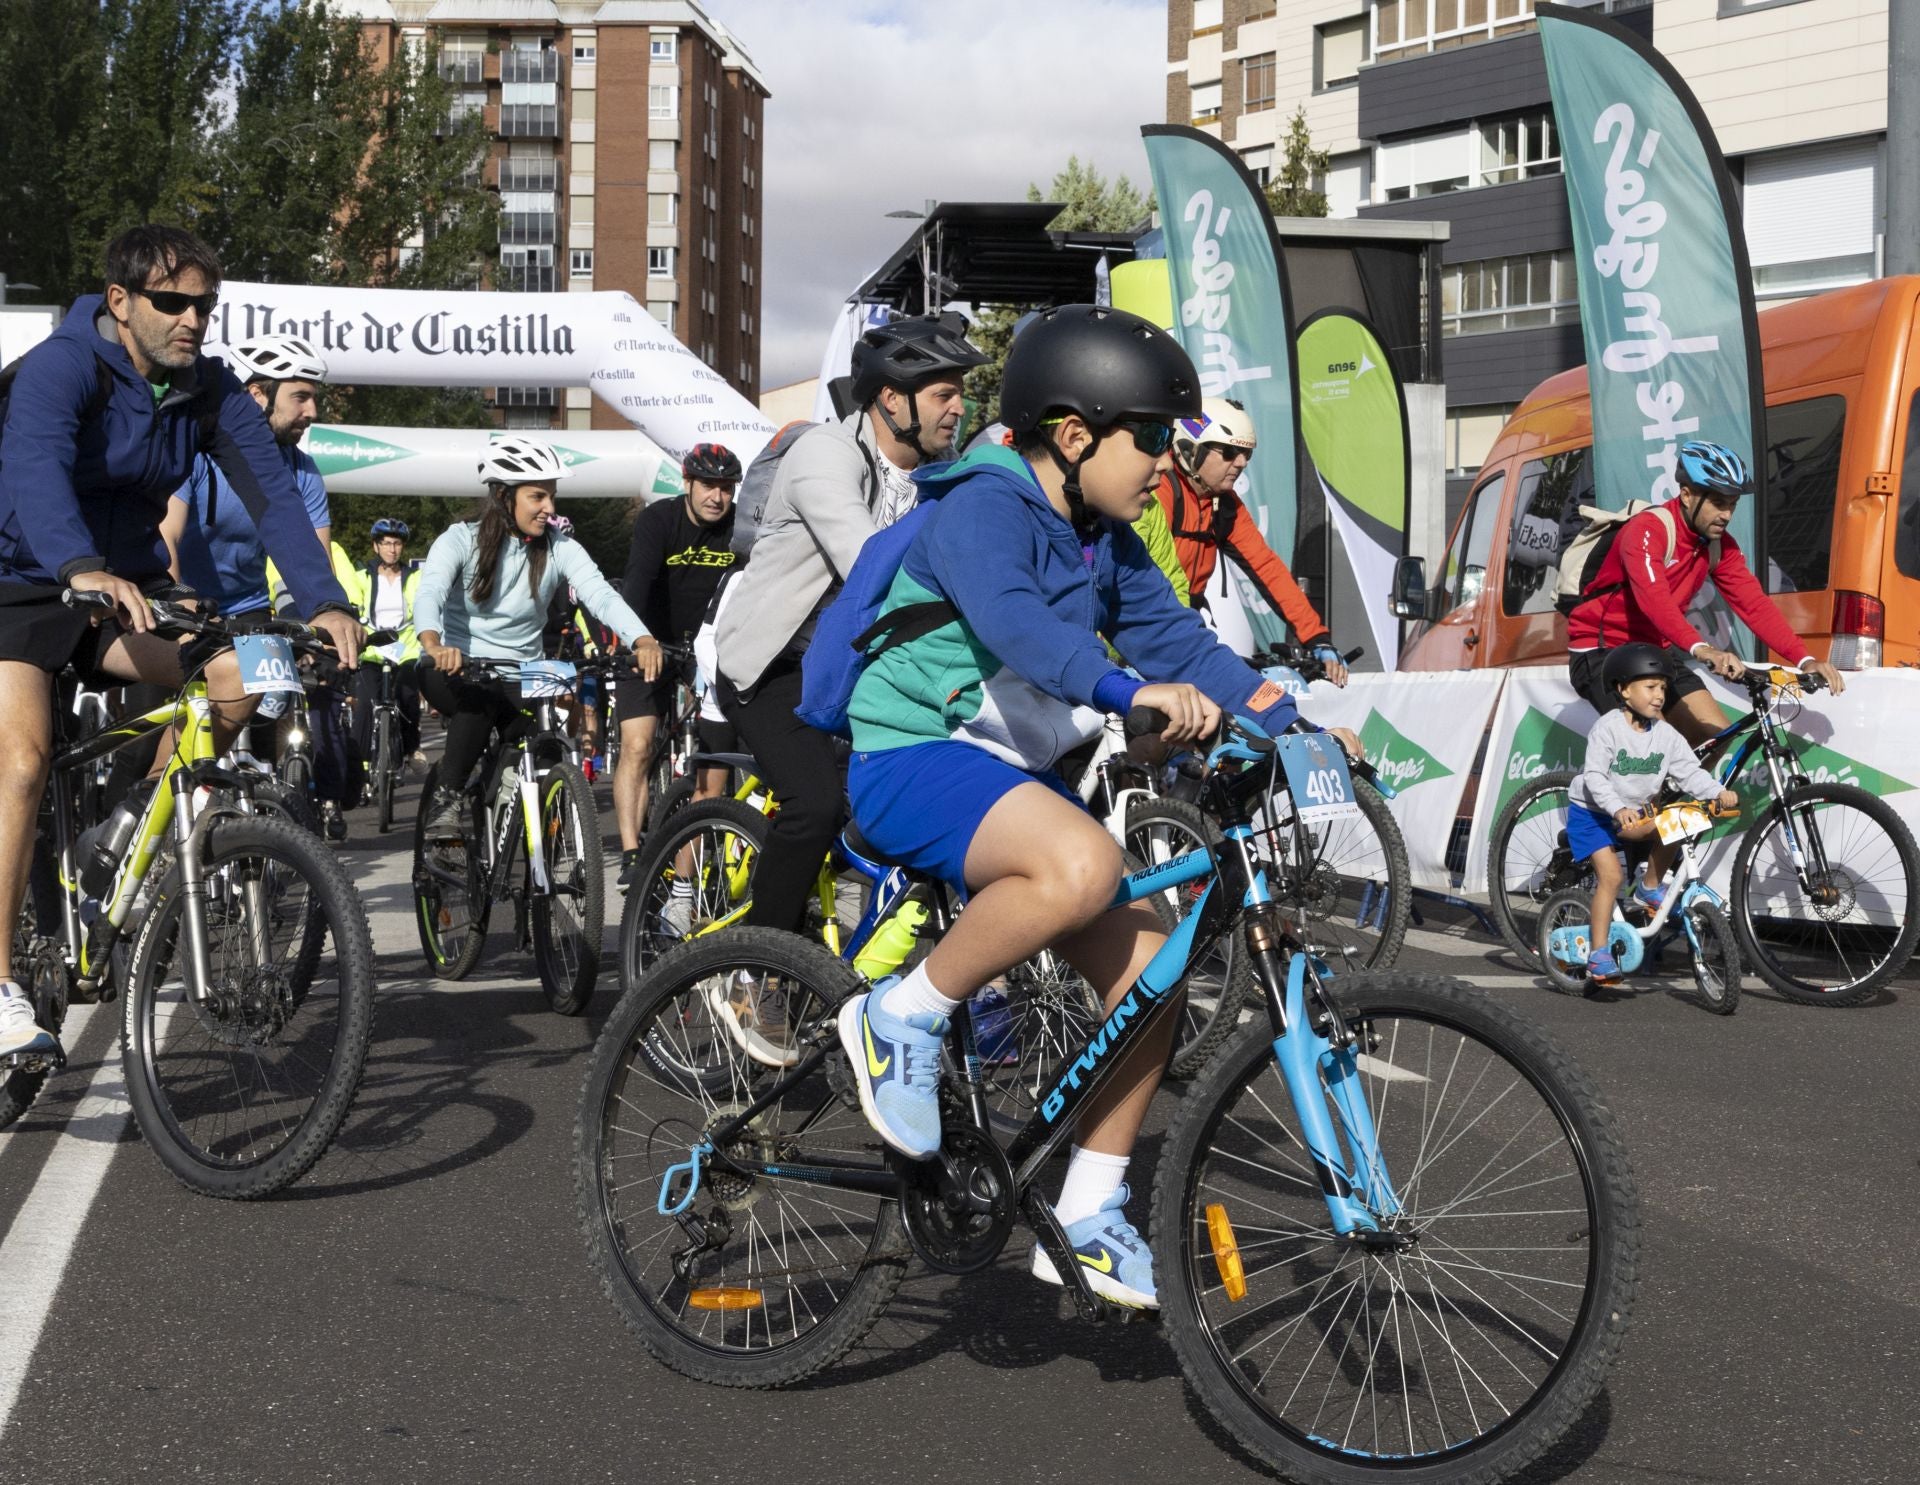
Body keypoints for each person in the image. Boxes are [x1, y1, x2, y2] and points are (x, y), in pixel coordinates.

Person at [832, 304, 1360, 1310]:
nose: (1169, 461)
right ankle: (901, 1016)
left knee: (1153, 978)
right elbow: (1019, 628)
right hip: (911, 755)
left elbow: (1184, 644)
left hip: (1008, 776)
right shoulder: (984, 508)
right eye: (1153, 437)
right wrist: (1127, 695)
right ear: (1074, 436)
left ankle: (1088, 1207)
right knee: (1085, 865)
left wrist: (1293, 725)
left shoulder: (1101, 535)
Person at [0, 225, 360, 1064]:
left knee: (239, 676)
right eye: (173, 302)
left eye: (204, 303)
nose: (192, 319)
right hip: (22, 580)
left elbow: (274, 497)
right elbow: (36, 469)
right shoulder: (63, 367)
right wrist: (77, 564)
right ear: (121, 304)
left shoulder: (210, 391)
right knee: (21, 761)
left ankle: (126, 833)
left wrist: (326, 601)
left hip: (122, 593)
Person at [711, 313, 986, 939]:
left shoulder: (932, 476)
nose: (958, 409)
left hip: (853, 668)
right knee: (814, 806)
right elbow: (872, 569)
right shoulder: (825, 454)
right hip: (775, 666)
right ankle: (764, 971)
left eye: (960, 394)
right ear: (892, 398)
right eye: (945, 393)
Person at [412, 435, 661, 836]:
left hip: (521, 672)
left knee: (543, 738)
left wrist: (641, 639)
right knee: (479, 702)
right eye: (537, 497)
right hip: (456, 668)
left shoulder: (560, 547)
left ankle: (516, 806)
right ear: (501, 496)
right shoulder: (459, 539)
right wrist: (433, 644)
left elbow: (600, 595)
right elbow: (431, 592)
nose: (550, 508)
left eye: (552, 496)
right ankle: (448, 800)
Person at [1566, 439, 1846, 744]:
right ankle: (1607, 790)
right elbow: (1655, 601)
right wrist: (1703, 649)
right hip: (1602, 649)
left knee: (1716, 737)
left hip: (1654, 651)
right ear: (1687, 495)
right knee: (1652, 746)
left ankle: (1678, 794)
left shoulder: (1718, 546)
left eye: (1732, 505)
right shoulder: (1647, 530)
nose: (1726, 515)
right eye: (1718, 503)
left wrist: (1804, 659)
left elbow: (1754, 605)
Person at [1566, 644, 1737, 985]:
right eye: (1650, 687)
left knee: (1679, 820)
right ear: (1623, 689)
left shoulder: (1666, 735)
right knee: (1611, 877)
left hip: (1631, 817)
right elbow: (1596, 777)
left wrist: (1717, 792)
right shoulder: (1608, 728)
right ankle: (1598, 955)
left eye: (1662, 687)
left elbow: (1690, 772)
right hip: (1594, 814)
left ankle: (1650, 886)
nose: (1659, 695)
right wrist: (1619, 809)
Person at [612, 443, 743, 885]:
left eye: (726, 488)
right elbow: (637, 585)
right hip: (649, 640)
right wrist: (639, 639)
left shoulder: (741, 527)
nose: (717, 497)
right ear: (686, 483)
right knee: (638, 745)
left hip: (708, 649)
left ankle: (684, 885)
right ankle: (632, 853)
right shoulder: (659, 520)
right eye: (708, 485)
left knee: (716, 759)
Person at [1148, 396, 1347, 683]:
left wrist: (1317, 638)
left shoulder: (1225, 505)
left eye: (1246, 454)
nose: (1240, 463)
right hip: (1147, 625)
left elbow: (1267, 568)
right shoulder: (1161, 489)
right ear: (1191, 449)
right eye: (1229, 452)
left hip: (1185, 628)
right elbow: (1145, 572)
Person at [352, 517, 425, 774]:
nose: (392, 549)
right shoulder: (362, 576)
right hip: (372, 648)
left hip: (405, 648)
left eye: (396, 544)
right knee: (364, 704)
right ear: (376, 547)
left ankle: (410, 750)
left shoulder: (416, 576)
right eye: (386, 544)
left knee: (407, 696)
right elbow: (354, 603)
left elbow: (424, 604)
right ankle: (360, 764)